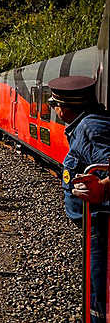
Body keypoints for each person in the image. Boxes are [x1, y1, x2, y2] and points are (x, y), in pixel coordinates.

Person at [49, 75, 110, 323]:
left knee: (99, 295)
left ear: (64, 107)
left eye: (54, 104)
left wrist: (103, 188)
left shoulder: (91, 128)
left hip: (101, 227)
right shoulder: (85, 124)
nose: (54, 109)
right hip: (94, 226)